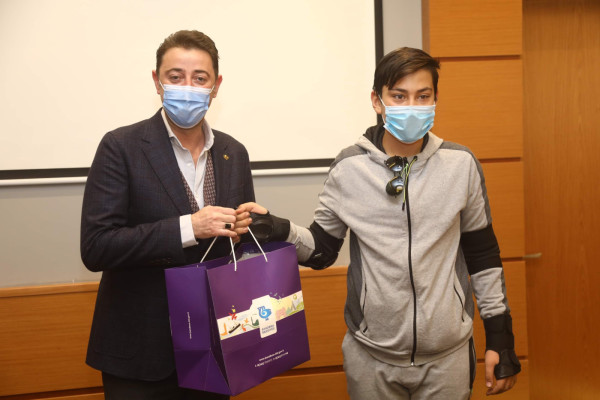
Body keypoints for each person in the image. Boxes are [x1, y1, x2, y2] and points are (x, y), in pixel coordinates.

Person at [239, 47, 521, 399]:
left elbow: (483, 256)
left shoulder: (461, 164)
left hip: (447, 355)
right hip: (372, 357)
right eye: (399, 96)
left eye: (423, 96)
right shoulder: (349, 167)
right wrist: (279, 229)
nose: (411, 106)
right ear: (377, 100)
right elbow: (322, 250)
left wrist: (500, 338)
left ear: (435, 99)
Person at [80, 30, 255, 399]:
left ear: (216, 86)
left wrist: (254, 226)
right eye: (175, 77)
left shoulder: (233, 152)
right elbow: (97, 247)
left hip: (215, 349)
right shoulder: (120, 147)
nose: (187, 88)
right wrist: (189, 227)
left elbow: (237, 249)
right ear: (157, 82)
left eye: (200, 78)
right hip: (140, 354)